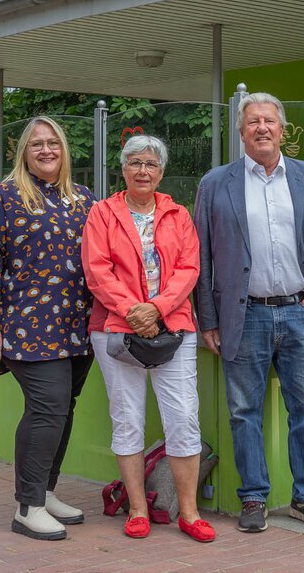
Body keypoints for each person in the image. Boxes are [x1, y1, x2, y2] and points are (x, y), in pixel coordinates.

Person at [193, 92, 304, 532]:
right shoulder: (215, 183)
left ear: (282, 130)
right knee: (244, 411)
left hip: (302, 312)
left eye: (269, 121)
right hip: (244, 316)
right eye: (252, 121)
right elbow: (201, 258)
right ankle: (254, 498)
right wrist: (209, 320)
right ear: (241, 132)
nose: (261, 128)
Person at [82, 135, 215, 542]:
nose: (143, 170)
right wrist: (132, 311)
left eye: (151, 164)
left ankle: (189, 512)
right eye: (135, 163)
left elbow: (189, 267)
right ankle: (137, 509)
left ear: (161, 171)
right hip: (117, 329)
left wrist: (157, 308)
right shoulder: (102, 213)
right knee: (127, 418)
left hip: (174, 326)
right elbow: (97, 270)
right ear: (122, 169)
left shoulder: (178, 214)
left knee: (183, 419)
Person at [0, 117, 95, 541]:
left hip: (77, 326)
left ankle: (46, 490)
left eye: (53, 142)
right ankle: (27, 506)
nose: (45, 150)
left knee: (63, 408)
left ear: (64, 149)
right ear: (23, 151)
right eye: (36, 143)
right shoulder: (3, 198)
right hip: (26, 327)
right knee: (48, 407)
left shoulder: (83, 199)